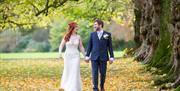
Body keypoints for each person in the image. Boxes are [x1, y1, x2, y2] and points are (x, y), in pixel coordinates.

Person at [85, 19, 114, 91]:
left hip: (103, 57)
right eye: (94, 24)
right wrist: (87, 56)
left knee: (103, 73)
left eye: (95, 24)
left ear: (100, 25)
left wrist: (112, 57)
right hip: (94, 57)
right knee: (94, 73)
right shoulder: (92, 34)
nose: (94, 26)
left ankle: (102, 86)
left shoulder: (107, 34)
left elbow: (110, 46)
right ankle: (95, 88)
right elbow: (89, 46)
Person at [59, 22, 85, 91]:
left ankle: (74, 88)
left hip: (76, 56)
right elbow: (61, 45)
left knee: (75, 71)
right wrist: (60, 53)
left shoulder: (78, 37)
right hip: (67, 56)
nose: (77, 28)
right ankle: (67, 86)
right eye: (76, 27)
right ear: (72, 28)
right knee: (68, 70)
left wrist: (85, 55)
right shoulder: (66, 36)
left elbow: (81, 47)